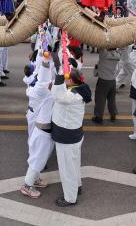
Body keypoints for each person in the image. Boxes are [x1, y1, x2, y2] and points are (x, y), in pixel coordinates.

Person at [51, 66, 91, 207]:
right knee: (74, 163)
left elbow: (56, 95)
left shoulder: (70, 95)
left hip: (66, 136)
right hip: (74, 134)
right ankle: (77, 186)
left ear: (71, 80)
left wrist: (60, 75)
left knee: (67, 168)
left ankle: (70, 198)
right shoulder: (81, 88)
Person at [20, 52, 55, 198]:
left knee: (38, 156)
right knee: (39, 158)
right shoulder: (41, 90)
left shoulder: (36, 88)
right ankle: (27, 185)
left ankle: (35, 178)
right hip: (43, 129)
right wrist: (46, 62)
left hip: (41, 127)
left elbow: (43, 78)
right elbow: (44, 78)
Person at [91, 48, 120, 124]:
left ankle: (99, 117)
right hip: (113, 80)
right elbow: (121, 49)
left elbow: (100, 46)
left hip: (103, 80)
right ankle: (113, 115)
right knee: (111, 99)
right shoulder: (118, 55)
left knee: (100, 99)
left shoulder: (104, 54)